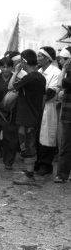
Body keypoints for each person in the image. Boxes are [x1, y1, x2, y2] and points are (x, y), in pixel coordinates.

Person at [10, 49, 46, 185]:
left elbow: (10, 86)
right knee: (28, 143)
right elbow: (43, 98)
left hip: (27, 117)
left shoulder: (29, 77)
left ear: (23, 62)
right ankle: (28, 172)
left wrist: (16, 71)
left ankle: (29, 176)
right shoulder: (40, 77)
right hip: (34, 115)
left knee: (27, 145)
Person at [35, 46, 62, 176]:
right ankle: (38, 162)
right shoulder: (38, 71)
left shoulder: (56, 72)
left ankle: (46, 165)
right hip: (36, 108)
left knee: (46, 136)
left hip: (48, 108)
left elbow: (51, 92)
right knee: (36, 136)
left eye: (40, 55)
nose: (37, 58)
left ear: (47, 58)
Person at [54, 46, 71, 183]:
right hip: (67, 114)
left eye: (63, 59)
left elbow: (59, 84)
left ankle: (62, 174)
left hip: (68, 115)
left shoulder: (67, 74)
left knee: (65, 145)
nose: (60, 61)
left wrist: (64, 69)